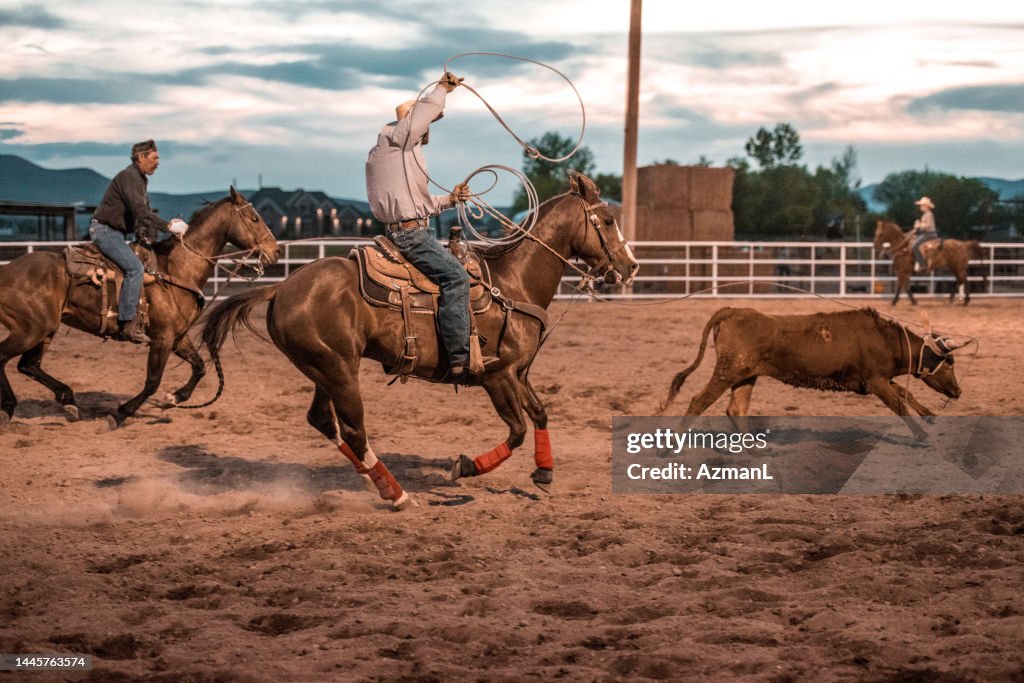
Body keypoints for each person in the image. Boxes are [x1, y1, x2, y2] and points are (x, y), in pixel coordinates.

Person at [365, 73, 476, 376]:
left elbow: (418, 204)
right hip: (412, 235)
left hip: (406, 229)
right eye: (426, 124)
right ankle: (459, 357)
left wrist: (451, 199)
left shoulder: (396, 155)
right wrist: (443, 89)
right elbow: (414, 124)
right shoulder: (395, 143)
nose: (427, 131)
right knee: (457, 278)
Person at [90, 140, 188, 343]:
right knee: (135, 269)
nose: (158, 162)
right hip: (106, 232)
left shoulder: (138, 179)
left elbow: (139, 216)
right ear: (141, 157)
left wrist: (145, 235)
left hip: (114, 233)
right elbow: (142, 213)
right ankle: (128, 322)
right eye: (155, 158)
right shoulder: (130, 177)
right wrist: (168, 226)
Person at [911, 196, 937, 273]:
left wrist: (919, 225)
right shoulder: (925, 215)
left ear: (926, 206)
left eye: (922, 205)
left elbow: (928, 226)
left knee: (915, 245)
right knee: (913, 241)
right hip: (926, 233)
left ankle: (922, 264)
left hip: (929, 234)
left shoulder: (929, 214)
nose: (920, 207)